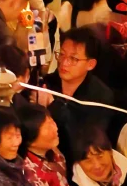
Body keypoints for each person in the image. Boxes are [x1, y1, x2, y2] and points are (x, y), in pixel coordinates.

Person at [43, 26, 120, 156]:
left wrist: (54, 106)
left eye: (74, 59)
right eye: (62, 54)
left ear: (90, 64)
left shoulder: (101, 97)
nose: (64, 63)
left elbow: (85, 142)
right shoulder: (46, 83)